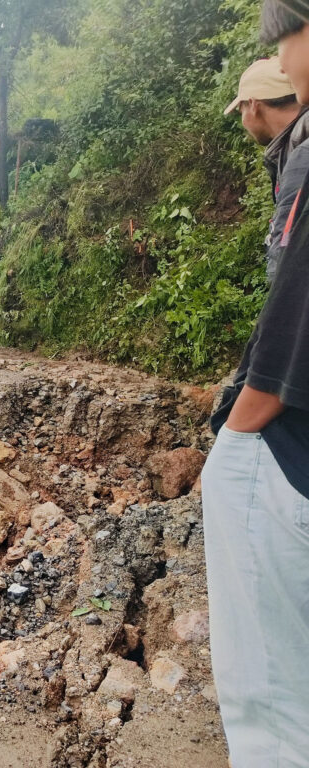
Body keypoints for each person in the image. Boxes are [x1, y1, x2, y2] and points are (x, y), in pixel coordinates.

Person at [201, 3, 309, 765]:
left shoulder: (303, 152)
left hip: (292, 413)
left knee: (267, 676)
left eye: (288, 41)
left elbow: (297, 296)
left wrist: (245, 414)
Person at [227, 55, 309, 280]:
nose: (243, 120)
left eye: (240, 109)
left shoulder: (303, 154)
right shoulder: (293, 145)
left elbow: (288, 261)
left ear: (253, 105)